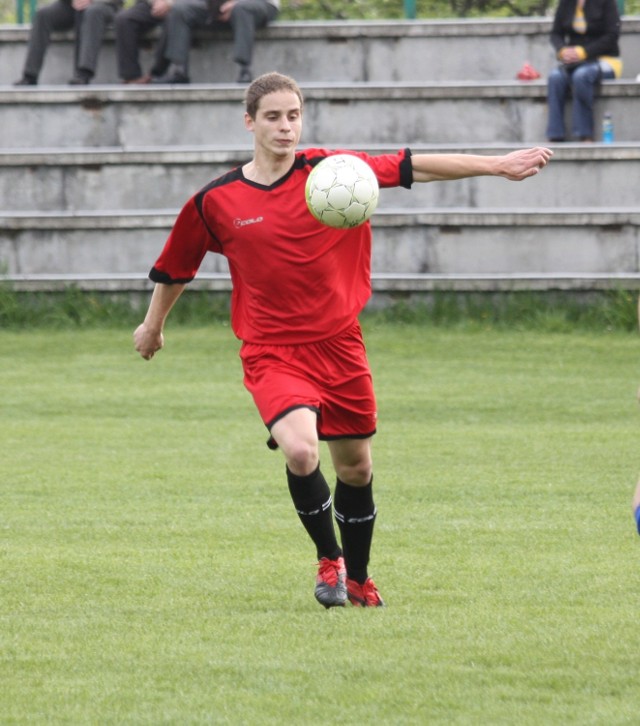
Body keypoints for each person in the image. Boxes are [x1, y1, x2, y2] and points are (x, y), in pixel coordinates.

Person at [133, 72, 553, 608]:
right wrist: (153, 326)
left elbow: (411, 166)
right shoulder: (217, 200)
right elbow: (176, 267)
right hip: (271, 350)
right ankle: (328, 561)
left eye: (293, 115)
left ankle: (358, 577)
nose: (286, 127)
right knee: (303, 449)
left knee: (355, 466)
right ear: (249, 123)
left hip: (340, 344)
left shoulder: (334, 172)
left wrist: (498, 166)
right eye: (272, 117)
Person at [148, 0, 279, 85]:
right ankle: (179, 71)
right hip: (215, 5)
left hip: (258, 4)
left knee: (242, 8)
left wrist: (235, 3)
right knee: (180, 9)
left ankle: (245, 70)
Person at [546, 0, 622, 142]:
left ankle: (585, 134)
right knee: (555, 78)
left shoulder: (607, 2)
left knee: (582, 76)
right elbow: (555, 34)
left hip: (605, 60)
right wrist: (562, 51)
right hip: (574, 62)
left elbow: (612, 36)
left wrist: (583, 52)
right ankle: (555, 135)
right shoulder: (566, 3)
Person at [14, 0, 123, 86]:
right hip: (71, 5)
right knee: (43, 15)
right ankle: (30, 76)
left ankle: (83, 74)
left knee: (91, 13)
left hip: (104, 5)